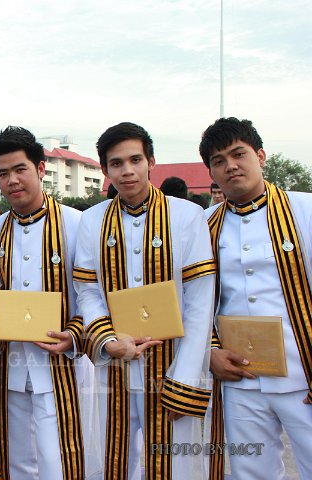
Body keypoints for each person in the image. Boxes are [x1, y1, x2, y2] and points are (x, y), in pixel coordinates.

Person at [74, 122, 214, 479]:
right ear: (105, 171)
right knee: (113, 460)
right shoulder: (91, 222)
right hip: (115, 367)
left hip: (172, 365)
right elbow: (88, 291)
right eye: (116, 163)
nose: (127, 170)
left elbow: (200, 300)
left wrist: (186, 376)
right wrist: (107, 340)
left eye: (135, 159)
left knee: (172, 464)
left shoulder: (187, 215)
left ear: (151, 161)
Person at [200, 117, 312, 480]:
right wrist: (210, 352)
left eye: (238, 154)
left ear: (260, 156)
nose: (230, 166)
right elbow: (197, 299)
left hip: (303, 372)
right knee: (250, 471)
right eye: (218, 161)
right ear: (211, 173)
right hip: (240, 376)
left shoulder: (304, 210)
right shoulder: (205, 224)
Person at [0, 126, 92, 479]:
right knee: (17, 461)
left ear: (41, 169)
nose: (12, 180)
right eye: (2, 173)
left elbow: (93, 294)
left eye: (20, 169)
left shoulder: (79, 224)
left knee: (62, 459)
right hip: (10, 366)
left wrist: (75, 334)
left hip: (64, 363)